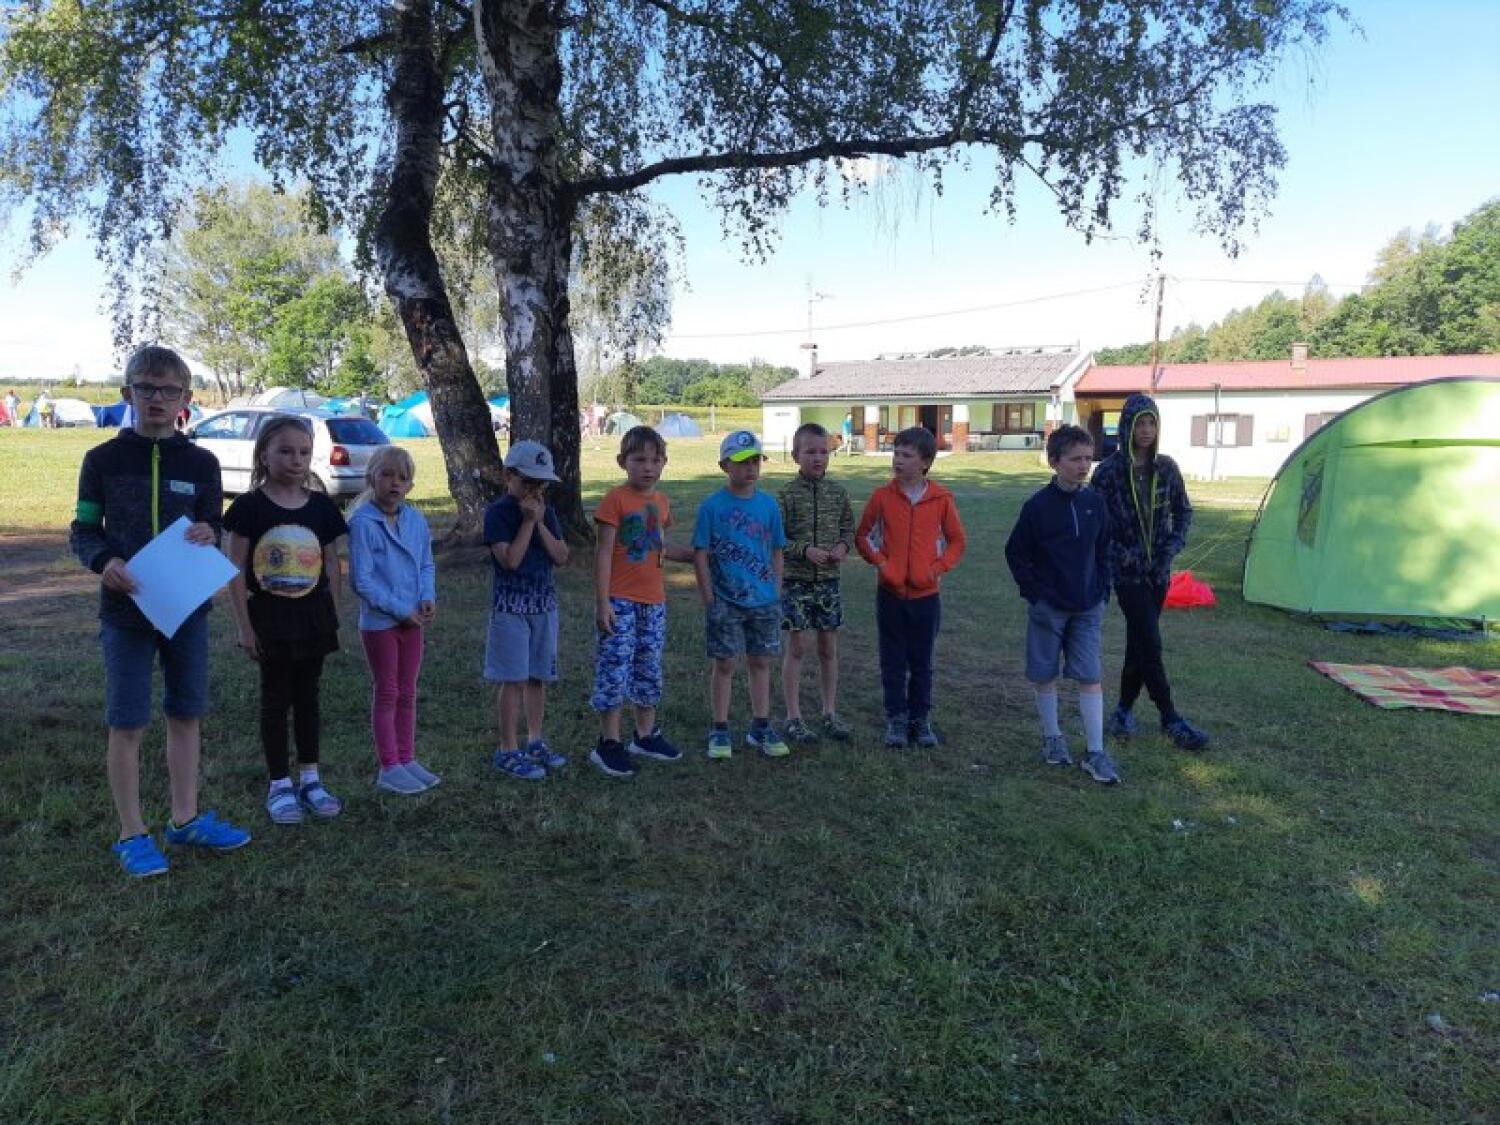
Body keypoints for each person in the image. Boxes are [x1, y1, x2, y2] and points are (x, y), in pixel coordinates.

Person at [69, 345, 251, 877]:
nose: (157, 399)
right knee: (127, 720)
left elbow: (212, 522)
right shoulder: (101, 461)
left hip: (185, 609)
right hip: (125, 612)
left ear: (185, 399)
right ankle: (132, 832)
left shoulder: (202, 463)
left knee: (186, 713)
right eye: (146, 388)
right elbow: (83, 529)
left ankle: (185, 818)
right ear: (127, 393)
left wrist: (209, 531)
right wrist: (105, 561)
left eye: (169, 390)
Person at [224, 415, 349, 823]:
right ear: (264, 454)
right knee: (276, 699)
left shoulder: (322, 506)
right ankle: (279, 784)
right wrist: (244, 625)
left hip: (313, 620)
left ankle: (311, 778)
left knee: (308, 697)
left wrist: (334, 613)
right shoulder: (248, 508)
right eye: (286, 451)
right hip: (270, 620)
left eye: (304, 452)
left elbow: (332, 563)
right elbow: (234, 569)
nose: (296, 460)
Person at [1089, 393, 1210, 751]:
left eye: (1151, 423)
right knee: (1150, 641)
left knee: (1139, 641)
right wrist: (1123, 555)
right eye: (1140, 423)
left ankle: (1123, 710)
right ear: (1127, 425)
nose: (1145, 430)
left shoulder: (1166, 468)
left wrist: (1170, 549)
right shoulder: (1108, 472)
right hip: (1127, 574)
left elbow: (1183, 512)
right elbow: (1097, 526)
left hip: (1158, 573)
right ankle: (1170, 717)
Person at [1004, 424, 1121, 785]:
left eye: (1088, 458)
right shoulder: (1037, 507)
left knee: (1090, 676)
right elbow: (1016, 553)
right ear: (1055, 462)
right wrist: (1035, 595)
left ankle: (1096, 752)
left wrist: (1102, 590)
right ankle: (1053, 738)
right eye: (1075, 459)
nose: (1083, 465)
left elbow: (1104, 549)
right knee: (1045, 674)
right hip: (1049, 608)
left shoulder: (1094, 503)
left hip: (1088, 607)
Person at [587, 426, 695, 777]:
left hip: (654, 602)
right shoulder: (615, 500)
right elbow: (604, 553)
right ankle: (608, 743)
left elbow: (657, 544)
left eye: (655, 460)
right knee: (614, 669)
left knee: (648, 668)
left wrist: (693, 556)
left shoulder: (661, 502)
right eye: (639, 460)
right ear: (623, 462)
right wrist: (603, 602)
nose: (648, 467)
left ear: (664, 462)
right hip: (619, 601)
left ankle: (645, 736)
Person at [855, 425, 967, 749]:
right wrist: (882, 564)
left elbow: (957, 541)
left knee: (922, 661)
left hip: (926, 597)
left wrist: (937, 569)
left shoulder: (941, 499)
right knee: (892, 659)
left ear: (926, 462)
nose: (898, 460)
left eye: (906, 455)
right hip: (890, 595)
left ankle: (920, 718)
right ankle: (896, 718)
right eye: (896, 453)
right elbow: (862, 536)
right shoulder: (881, 497)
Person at [347, 445, 440, 795]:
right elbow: (362, 581)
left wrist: (427, 597)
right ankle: (389, 766)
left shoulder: (416, 520)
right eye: (386, 475)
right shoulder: (362, 523)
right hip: (380, 624)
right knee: (387, 691)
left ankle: (407, 757)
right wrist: (401, 610)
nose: (394, 483)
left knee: (408, 691)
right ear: (371, 477)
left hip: (413, 622)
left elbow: (426, 563)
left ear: (411, 485)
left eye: (403, 478)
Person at [692, 429, 790, 759]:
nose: (750, 468)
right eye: (742, 462)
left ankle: (760, 725)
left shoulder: (768, 506)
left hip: (764, 601)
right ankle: (720, 728)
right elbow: (701, 553)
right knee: (725, 663)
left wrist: (775, 590)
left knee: (761, 661)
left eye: (755, 461)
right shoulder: (711, 507)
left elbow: (777, 549)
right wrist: (709, 598)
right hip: (726, 600)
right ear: (724, 466)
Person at [484, 440, 571, 780]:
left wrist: (538, 522)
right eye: (528, 482)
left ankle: (535, 740)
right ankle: (507, 749)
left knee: (538, 677)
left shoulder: (546, 513)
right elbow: (511, 560)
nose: (535, 490)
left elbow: (561, 556)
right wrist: (526, 523)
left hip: (544, 606)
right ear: (509, 476)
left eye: (541, 483)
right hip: (511, 608)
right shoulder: (498, 513)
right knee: (514, 679)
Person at [777, 422, 855, 744]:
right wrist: (804, 550)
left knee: (828, 648)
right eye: (810, 452)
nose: (817, 458)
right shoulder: (786, 495)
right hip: (795, 583)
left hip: (828, 583)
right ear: (796, 456)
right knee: (797, 648)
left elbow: (848, 529)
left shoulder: (838, 493)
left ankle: (829, 712)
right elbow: (777, 539)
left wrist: (842, 547)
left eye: (823, 452)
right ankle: (793, 716)